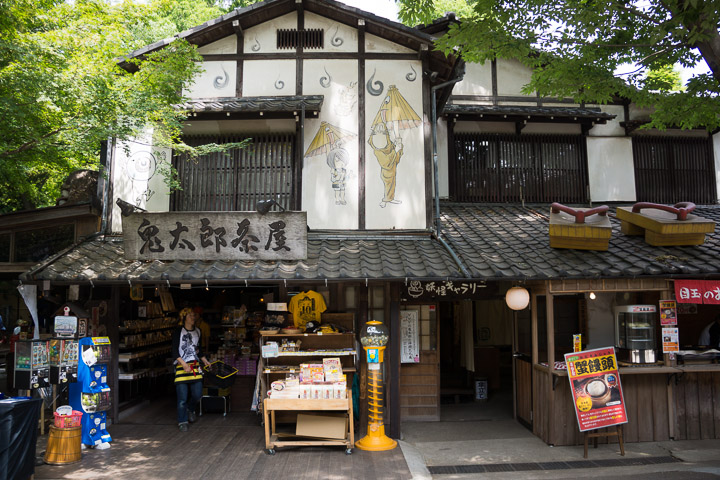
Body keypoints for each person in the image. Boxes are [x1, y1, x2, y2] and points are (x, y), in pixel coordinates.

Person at [172, 308, 211, 432]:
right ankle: (182, 421)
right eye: (190, 315)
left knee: (197, 394)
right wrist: (183, 364)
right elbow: (174, 351)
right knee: (182, 398)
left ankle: (190, 409)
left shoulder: (198, 331)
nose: (193, 317)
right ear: (184, 318)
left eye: (194, 315)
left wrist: (204, 360)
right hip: (181, 366)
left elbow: (198, 350)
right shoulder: (178, 331)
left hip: (194, 366)